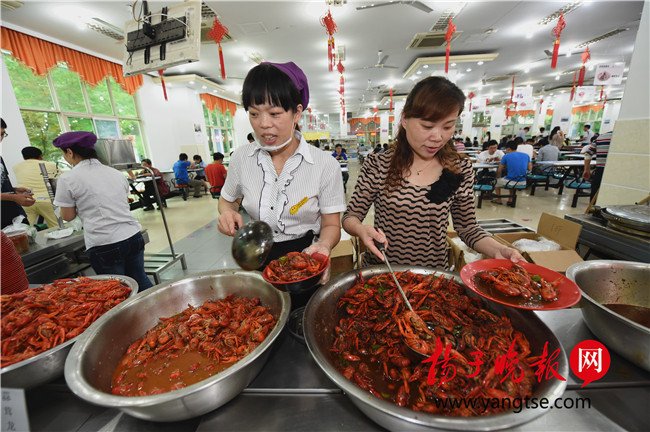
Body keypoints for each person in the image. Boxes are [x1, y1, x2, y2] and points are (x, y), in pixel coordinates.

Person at [342, 76, 523, 268]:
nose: (438, 137)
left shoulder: (458, 169)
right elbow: (350, 216)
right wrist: (360, 229)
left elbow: (468, 227)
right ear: (404, 119)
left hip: (433, 277)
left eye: (448, 126)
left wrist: (498, 250)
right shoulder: (379, 164)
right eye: (427, 126)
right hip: (384, 271)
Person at [217, 61, 346, 272]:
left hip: (306, 256)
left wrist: (324, 245)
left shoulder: (324, 164)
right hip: (256, 254)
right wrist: (226, 213)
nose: (264, 124)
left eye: (274, 113)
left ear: (296, 113)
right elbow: (227, 201)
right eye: (254, 113)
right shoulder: (241, 158)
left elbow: (331, 224)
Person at [52, 131, 152, 290]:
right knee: (140, 280)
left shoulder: (68, 178)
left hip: (105, 243)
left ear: (70, 152)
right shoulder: (115, 173)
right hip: (133, 235)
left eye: (64, 153)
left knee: (117, 290)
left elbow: (68, 216)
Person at [13, 146, 60, 227]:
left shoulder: (16, 167)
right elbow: (61, 178)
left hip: (26, 201)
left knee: (25, 229)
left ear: (24, 157)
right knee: (57, 226)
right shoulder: (50, 165)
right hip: (47, 201)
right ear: (40, 156)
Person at [1, 118, 34, 229]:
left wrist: (14, 190)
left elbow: (2, 183)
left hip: (13, 213)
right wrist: (14, 197)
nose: (0, 139)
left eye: (2, 134)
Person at [493, 141, 532, 206]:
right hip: (523, 181)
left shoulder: (506, 156)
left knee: (496, 182)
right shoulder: (526, 155)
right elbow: (530, 168)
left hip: (511, 181)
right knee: (509, 178)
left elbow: (499, 170)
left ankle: (499, 199)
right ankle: (510, 199)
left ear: (508, 149)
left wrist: (498, 177)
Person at [583, 131, 611, 201]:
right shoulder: (623, 137)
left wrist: (586, 170)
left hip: (600, 171)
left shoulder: (601, 137)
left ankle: (592, 210)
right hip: (614, 171)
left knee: (594, 198)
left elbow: (588, 153)